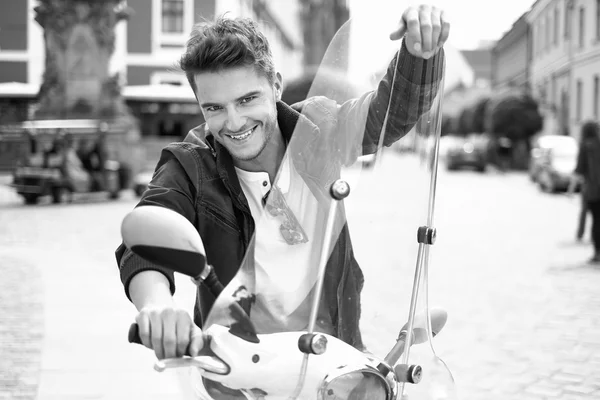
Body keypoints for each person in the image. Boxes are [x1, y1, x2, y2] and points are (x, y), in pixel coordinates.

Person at [115, 4, 449, 365]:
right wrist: (158, 304)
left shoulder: (320, 128)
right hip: (237, 372)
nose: (234, 122)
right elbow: (146, 234)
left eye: (247, 99)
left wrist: (420, 54)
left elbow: (389, 114)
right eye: (214, 108)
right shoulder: (190, 163)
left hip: (333, 361)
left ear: (275, 85)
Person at [572, 120, 600, 263]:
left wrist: (571, 189)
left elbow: (579, 170)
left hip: (593, 191)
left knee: (596, 221)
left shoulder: (585, 146)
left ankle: (597, 252)